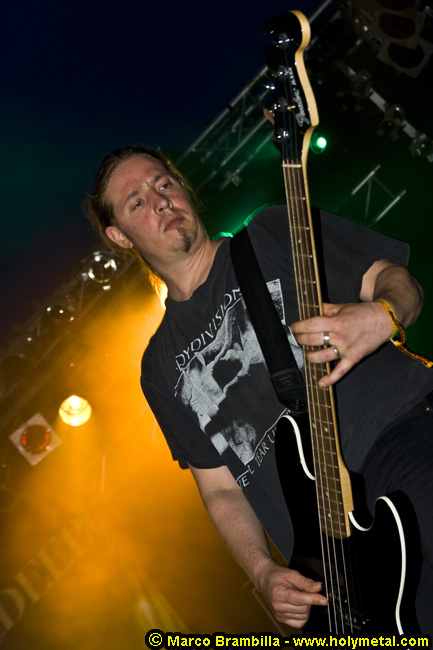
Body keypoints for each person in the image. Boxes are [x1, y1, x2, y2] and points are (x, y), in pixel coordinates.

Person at [86, 145, 433, 634]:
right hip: (325, 556)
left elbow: (396, 280)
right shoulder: (159, 367)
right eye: (137, 201)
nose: (161, 200)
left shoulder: (270, 231)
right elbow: (220, 489)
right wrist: (264, 571)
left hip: (397, 438)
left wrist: (384, 314)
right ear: (120, 236)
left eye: (164, 183)